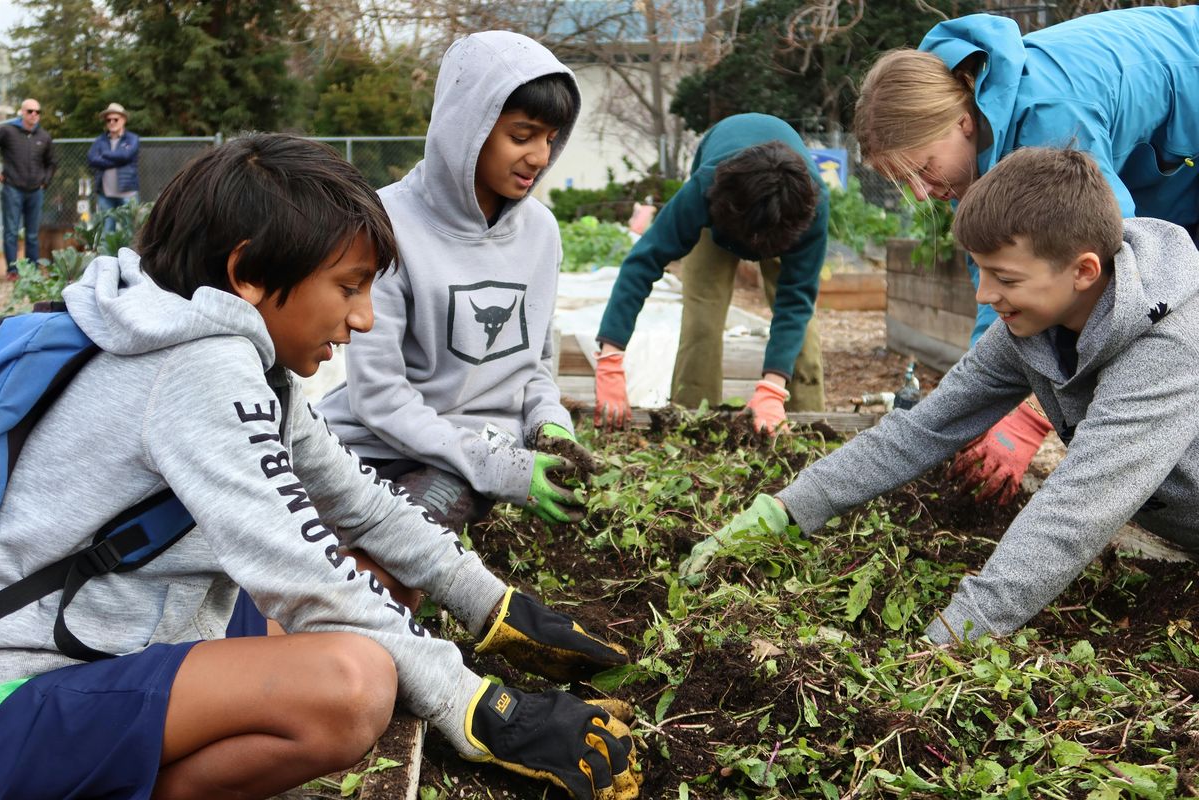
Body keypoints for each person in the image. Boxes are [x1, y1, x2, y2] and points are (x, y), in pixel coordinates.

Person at [0, 134, 639, 800]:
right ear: (248, 274)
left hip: (129, 630)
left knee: (383, 587)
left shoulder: (230, 351)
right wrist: (479, 706)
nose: (362, 317)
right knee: (353, 684)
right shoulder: (197, 367)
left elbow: (360, 501)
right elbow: (298, 570)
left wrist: (494, 605)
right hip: (28, 690)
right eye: (348, 287)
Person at [686, 147, 1199, 643]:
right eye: (981, 271)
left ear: (1083, 270)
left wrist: (956, 636)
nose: (984, 295)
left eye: (1005, 277)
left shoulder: (1169, 345)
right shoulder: (1029, 328)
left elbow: (1080, 505)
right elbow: (923, 428)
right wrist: (788, 509)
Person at [854, 5, 1199, 504]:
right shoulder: (977, 127)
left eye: (923, 169)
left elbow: (1117, 269)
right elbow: (1000, 285)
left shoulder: (1048, 118)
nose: (923, 192)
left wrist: (1029, 413)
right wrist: (978, 406)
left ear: (960, 122)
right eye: (904, 182)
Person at [319, 32, 595, 530]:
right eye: (522, 135)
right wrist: (499, 466)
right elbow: (379, 394)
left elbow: (535, 366)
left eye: (550, 139)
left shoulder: (541, 233)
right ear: (468, 126)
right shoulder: (385, 222)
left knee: (403, 545)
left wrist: (549, 425)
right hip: (368, 443)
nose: (540, 157)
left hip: (467, 461)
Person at [592, 113, 829, 434]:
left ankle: (807, 429)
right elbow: (642, 263)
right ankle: (692, 425)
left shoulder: (810, 206)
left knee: (802, 327)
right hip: (730, 204)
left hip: (781, 210)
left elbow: (795, 300)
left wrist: (772, 387)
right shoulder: (706, 188)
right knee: (702, 316)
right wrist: (610, 358)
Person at [0, 98, 56, 278]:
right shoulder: (7, 131)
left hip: (35, 191)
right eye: (30, 111)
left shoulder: (44, 137)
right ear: (22, 112)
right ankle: (13, 270)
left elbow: (52, 163)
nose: (34, 115)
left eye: (37, 112)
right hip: (12, 188)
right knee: (11, 232)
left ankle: (32, 270)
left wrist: (44, 182)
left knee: (32, 234)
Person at [87, 102, 140, 234]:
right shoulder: (100, 140)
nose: (111, 122)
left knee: (131, 231)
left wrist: (104, 154)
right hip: (105, 194)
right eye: (108, 120)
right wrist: (118, 160)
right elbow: (91, 159)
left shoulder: (132, 139)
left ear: (123, 120)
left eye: (115, 119)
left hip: (128, 194)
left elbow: (126, 155)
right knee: (106, 232)